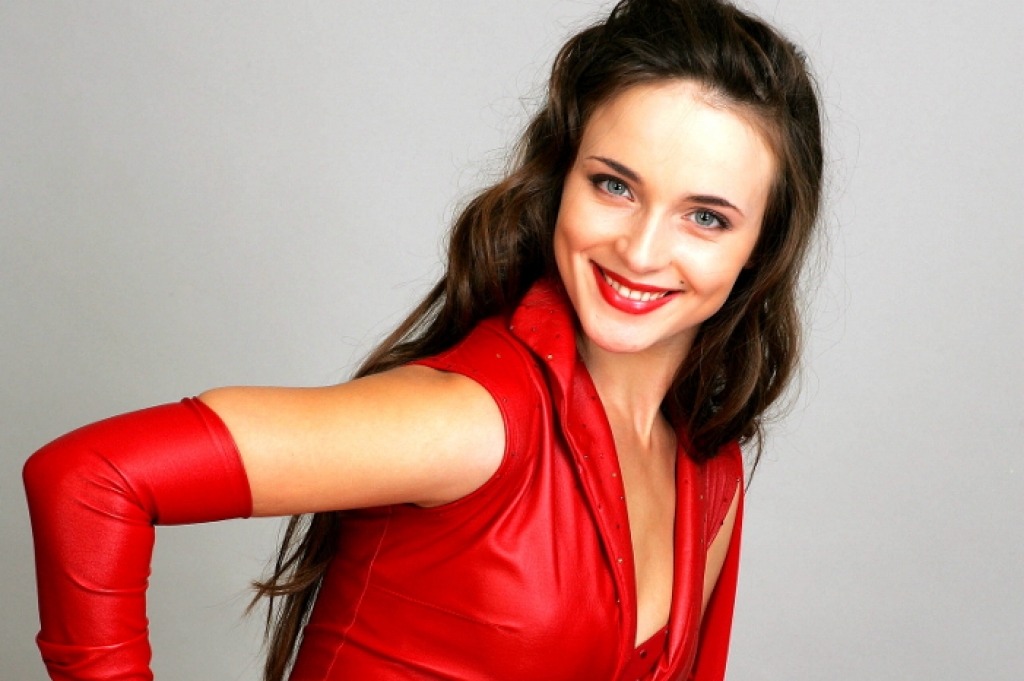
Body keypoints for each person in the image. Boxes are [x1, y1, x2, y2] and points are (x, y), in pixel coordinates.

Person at [22, 0, 823, 679]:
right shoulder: (472, 420)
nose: (642, 251)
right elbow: (90, 480)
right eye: (614, 184)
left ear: (763, 245)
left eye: (705, 216)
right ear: (561, 180)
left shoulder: (708, 466)